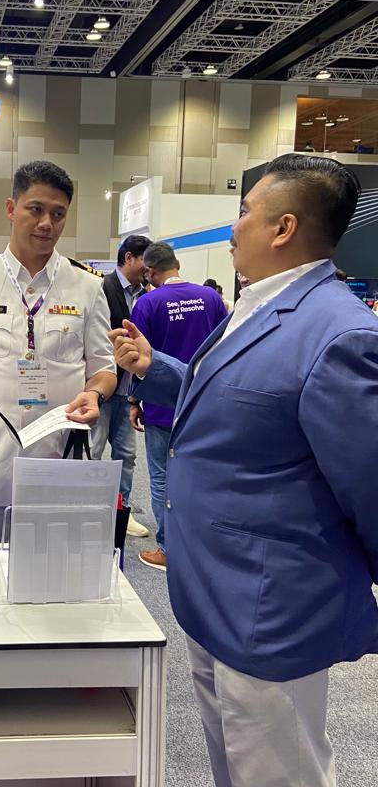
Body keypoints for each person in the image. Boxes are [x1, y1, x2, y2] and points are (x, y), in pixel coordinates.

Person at [110, 154, 378, 787]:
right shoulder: (259, 303)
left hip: (274, 604)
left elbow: (370, 482)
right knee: (238, 753)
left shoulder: (338, 331)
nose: (233, 228)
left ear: (284, 227)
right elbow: (238, 401)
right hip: (217, 589)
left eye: (245, 211)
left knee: (285, 784)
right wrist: (155, 369)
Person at [0, 160, 117, 541]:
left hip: (59, 458)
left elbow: (104, 368)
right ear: (11, 208)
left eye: (58, 214)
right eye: (36, 209)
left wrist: (95, 394)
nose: (46, 223)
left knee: (54, 565)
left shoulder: (87, 286)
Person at [131, 244, 227, 571]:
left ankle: (167, 549)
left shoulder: (147, 303)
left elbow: (137, 357)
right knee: (201, 476)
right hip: (203, 403)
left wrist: (134, 400)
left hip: (160, 406)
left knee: (161, 478)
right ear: (178, 264)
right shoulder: (211, 298)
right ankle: (200, 547)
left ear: (150, 272)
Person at [90, 234, 151, 537]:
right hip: (103, 389)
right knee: (92, 452)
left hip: (131, 391)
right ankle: (87, 510)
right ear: (128, 258)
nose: (148, 268)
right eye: (144, 261)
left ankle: (121, 513)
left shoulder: (148, 294)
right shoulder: (102, 287)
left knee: (126, 456)